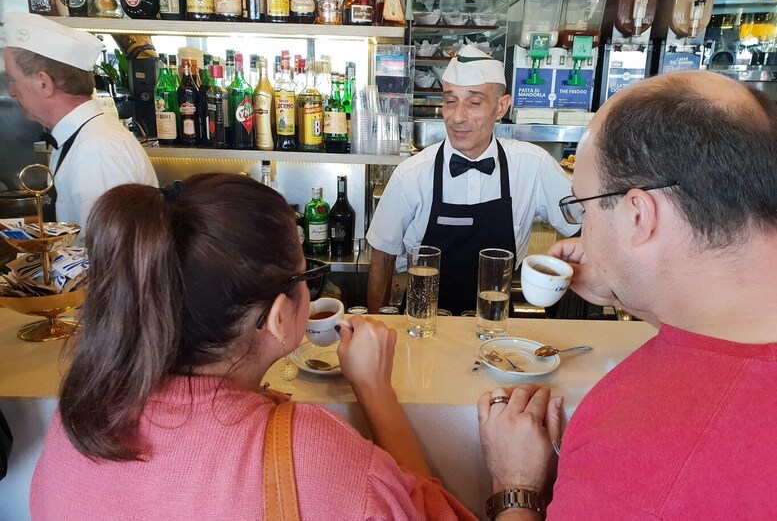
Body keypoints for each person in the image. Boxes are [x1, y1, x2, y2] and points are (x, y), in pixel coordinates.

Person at [30, 173, 477, 520]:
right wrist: (377, 392)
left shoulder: (79, 417)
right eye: (305, 275)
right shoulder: (310, 452)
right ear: (279, 317)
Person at [477, 71, 777, 519]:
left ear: (639, 215)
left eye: (584, 208)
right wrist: (628, 290)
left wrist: (514, 485)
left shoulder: (641, 455)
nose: (585, 231)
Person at [366, 45, 578, 315]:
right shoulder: (411, 174)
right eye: (450, 101)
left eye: (474, 102)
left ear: (501, 107)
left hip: (496, 321)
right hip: (424, 322)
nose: (457, 117)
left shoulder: (533, 165)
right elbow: (382, 259)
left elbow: (582, 227)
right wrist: (377, 326)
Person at [2, 12, 157, 233]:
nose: (11, 91)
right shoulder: (81, 138)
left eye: (13, 79)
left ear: (44, 83)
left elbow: (107, 249)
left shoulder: (96, 151)